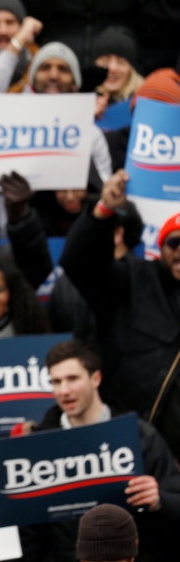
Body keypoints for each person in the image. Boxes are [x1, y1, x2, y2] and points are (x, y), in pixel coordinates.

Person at [17, 340, 180, 561]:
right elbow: (27, 531)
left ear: (96, 378)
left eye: (72, 379)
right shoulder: (37, 445)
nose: (64, 390)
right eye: (56, 381)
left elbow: (175, 501)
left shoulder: (140, 436)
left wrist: (158, 500)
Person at [60, 170, 180, 461]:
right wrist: (103, 211)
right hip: (135, 447)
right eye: (174, 243)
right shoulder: (135, 279)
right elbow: (79, 262)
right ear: (160, 249)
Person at [0, 41, 113, 188]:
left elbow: (104, 192)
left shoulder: (91, 134)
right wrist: (19, 39)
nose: (54, 76)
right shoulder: (8, 125)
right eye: (45, 68)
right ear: (33, 78)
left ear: (75, 83)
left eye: (63, 69)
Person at [48, 201, 143, 343]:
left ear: (117, 234)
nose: (83, 237)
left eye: (92, 228)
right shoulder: (66, 282)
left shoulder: (145, 279)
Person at [93, 27, 144, 123]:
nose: (112, 69)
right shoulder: (78, 101)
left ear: (132, 70)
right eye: (105, 61)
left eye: (121, 62)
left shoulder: (143, 105)